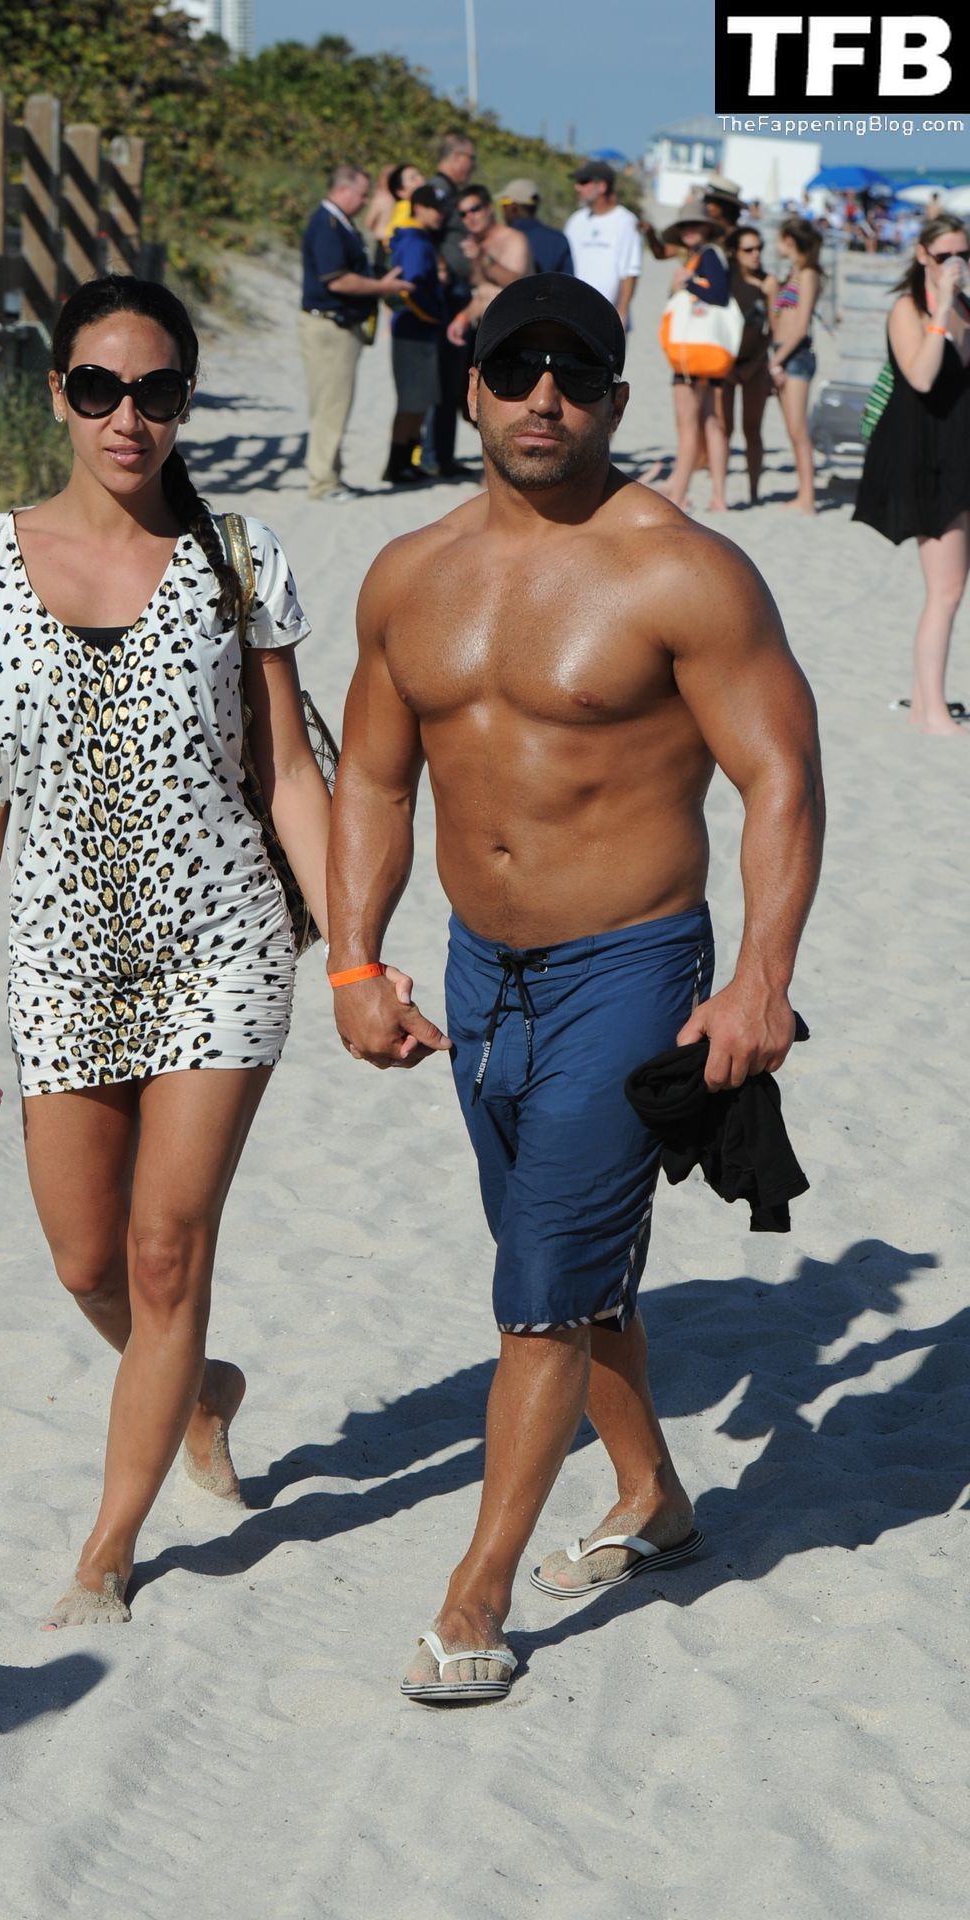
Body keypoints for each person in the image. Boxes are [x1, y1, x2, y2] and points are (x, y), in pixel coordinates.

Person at [325, 273, 824, 1704]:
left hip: (631, 964)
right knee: (568, 1265)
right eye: (515, 369)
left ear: (614, 395)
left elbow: (780, 776)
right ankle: (652, 1493)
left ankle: (473, 1600)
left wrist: (760, 979)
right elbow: (374, 778)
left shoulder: (682, 572)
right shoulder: (406, 576)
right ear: (471, 385)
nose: (544, 396)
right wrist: (354, 957)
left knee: (539, 1287)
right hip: (480, 975)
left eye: (577, 373)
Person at [0, 274, 335, 1627]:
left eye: (154, 392)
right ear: (58, 395)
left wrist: (356, 954)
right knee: (86, 1262)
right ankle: (200, 1388)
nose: (125, 417)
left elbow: (289, 776)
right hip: (59, 960)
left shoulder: (237, 557)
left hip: (222, 948)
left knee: (162, 1254)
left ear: (184, 402)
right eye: (98, 388)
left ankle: (107, 1552)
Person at [854, 215, 970, 737]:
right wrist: (941, 307)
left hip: (957, 452)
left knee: (951, 588)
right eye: (945, 256)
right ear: (923, 255)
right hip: (924, 456)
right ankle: (932, 712)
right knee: (945, 590)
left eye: (964, 255)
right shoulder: (908, 308)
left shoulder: (965, 307)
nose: (956, 265)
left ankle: (927, 703)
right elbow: (921, 376)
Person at [298, 164, 410, 501]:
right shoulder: (328, 225)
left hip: (339, 325)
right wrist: (382, 287)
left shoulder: (339, 223)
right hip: (331, 326)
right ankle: (323, 482)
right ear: (343, 190)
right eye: (362, 195)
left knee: (331, 404)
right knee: (331, 406)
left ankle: (329, 474)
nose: (365, 202)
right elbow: (337, 280)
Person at [658, 200, 733, 513]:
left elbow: (719, 295)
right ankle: (717, 496)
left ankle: (680, 493)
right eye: (685, 226)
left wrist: (686, 283)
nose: (689, 230)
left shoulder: (708, 256)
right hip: (705, 350)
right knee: (711, 422)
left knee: (689, 425)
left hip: (693, 351)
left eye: (695, 225)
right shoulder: (701, 256)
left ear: (706, 227)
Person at [422, 133, 481, 480]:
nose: (473, 166)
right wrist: (441, 265)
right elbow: (424, 231)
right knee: (443, 378)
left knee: (453, 377)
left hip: (460, 294)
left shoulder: (451, 193)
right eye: (470, 158)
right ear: (457, 157)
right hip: (447, 298)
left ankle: (442, 455)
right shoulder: (438, 191)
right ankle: (433, 455)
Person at [384, 183, 448, 485]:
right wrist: (432, 314)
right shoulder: (414, 241)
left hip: (419, 329)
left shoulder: (420, 239)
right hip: (413, 329)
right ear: (419, 208)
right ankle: (397, 465)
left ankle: (407, 461)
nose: (440, 214)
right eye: (434, 208)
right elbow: (408, 288)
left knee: (420, 400)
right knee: (411, 401)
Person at [769, 217, 822, 515]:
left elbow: (801, 327)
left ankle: (808, 496)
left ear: (789, 239)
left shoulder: (809, 274)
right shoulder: (793, 273)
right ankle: (804, 492)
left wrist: (776, 361)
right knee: (792, 428)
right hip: (782, 352)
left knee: (798, 429)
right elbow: (778, 321)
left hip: (796, 355)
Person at [724, 225, 776, 505]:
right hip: (724, 365)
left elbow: (775, 329)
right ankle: (719, 493)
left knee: (752, 430)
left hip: (757, 364)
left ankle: (754, 492)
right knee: (723, 430)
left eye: (759, 248)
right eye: (748, 249)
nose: (756, 254)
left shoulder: (768, 283)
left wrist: (755, 366)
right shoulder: (724, 281)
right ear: (734, 251)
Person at [445, 183, 531, 348]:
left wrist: (483, 257)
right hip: (490, 336)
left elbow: (515, 284)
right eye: (463, 214)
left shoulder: (514, 239)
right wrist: (462, 318)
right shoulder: (475, 245)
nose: (470, 217)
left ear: (489, 208)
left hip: (518, 332)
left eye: (475, 209)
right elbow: (482, 292)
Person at [564, 160, 642, 328]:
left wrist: (622, 313)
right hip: (572, 314)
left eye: (583, 182)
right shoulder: (575, 220)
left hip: (607, 317)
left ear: (602, 186)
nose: (577, 187)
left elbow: (630, 272)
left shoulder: (626, 221)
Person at [497, 177, 573, 275]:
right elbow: (569, 281)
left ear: (513, 207)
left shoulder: (500, 239)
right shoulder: (559, 239)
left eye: (504, 202)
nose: (502, 208)